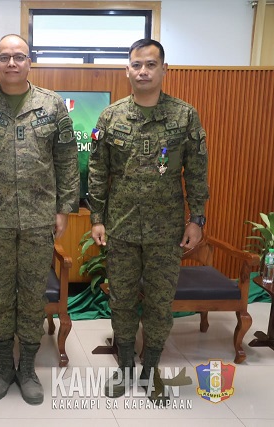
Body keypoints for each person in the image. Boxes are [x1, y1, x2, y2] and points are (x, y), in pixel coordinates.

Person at [0, 34, 79, 405]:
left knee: (33, 294)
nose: (11, 63)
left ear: (29, 62)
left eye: (18, 57)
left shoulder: (53, 105)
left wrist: (63, 209)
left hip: (40, 218)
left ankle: (28, 368)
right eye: (4, 57)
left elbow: (67, 159)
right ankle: (5, 365)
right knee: (1, 294)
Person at [87, 39, 209, 400]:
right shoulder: (111, 117)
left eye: (151, 64)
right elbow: (98, 171)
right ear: (127, 70)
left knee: (159, 302)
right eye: (137, 65)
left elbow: (197, 171)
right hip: (121, 226)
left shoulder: (184, 116)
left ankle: (150, 369)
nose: (143, 71)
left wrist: (196, 219)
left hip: (167, 229)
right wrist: (97, 218)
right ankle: (125, 367)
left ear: (164, 69)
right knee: (122, 300)